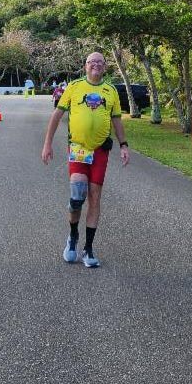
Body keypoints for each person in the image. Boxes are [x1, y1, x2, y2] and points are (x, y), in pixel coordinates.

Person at [41, 52, 130, 268]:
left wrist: (123, 145)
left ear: (105, 67)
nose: (96, 65)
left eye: (100, 62)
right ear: (85, 66)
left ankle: (88, 249)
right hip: (79, 148)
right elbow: (57, 115)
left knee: (95, 196)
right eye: (92, 62)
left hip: (100, 150)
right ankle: (72, 237)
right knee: (77, 194)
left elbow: (116, 119)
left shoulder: (111, 91)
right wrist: (47, 144)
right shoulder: (74, 86)